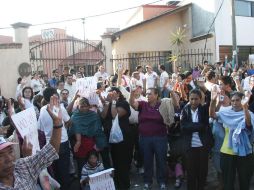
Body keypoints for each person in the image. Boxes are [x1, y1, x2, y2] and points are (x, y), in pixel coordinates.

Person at [0, 95, 63, 190]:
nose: (9, 159)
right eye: (0, 155)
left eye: (10, 151)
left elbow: (50, 151)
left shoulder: (21, 167)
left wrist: (57, 123)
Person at [210, 91, 254, 190]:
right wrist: (213, 101)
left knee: (245, 181)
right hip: (227, 152)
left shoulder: (249, 113)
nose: (235, 103)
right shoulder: (225, 112)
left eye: (237, 100)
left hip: (245, 152)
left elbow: (248, 125)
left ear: (242, 100)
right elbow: (212, 115)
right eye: (233, 100)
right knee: (228, 183)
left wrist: (245, 107)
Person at [130, 88, 171, 190]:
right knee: (147, 161)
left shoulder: (162, 105)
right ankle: (147, 182)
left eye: (150, 94)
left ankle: (162, 182)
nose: (147, 96)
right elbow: (132, 103)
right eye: (147, 94)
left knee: (161, 160)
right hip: (145, 138)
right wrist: (132, 94)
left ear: (156, 95)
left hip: (160, 138)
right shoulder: (143, 104)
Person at [38, 87, 71, 190]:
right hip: (62, 143)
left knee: (54, 172)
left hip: (50, 145)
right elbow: (69, 121)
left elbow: (40, 128)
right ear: (55, 96)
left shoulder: (43, 109)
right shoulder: (60, 107)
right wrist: (65, 126)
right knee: (64, 171)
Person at [180, 88, 213, 190]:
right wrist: (198, 126)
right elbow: (183, 127)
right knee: (190, 172)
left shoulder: (203, 110)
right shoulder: (185, 109)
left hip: (202, 146)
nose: (194, 101)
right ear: (189, 98)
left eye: (196, 99)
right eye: (192, 99)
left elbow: (205, 125)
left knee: (202, 172)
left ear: (200, 99)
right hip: (190, 146)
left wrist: (191, 126)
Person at [101, 87, 133, 189]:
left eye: (112, 93)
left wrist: (114, 101)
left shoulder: (123, 103)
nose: (110, 95)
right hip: (112, 138)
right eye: (109, 93)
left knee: (122, 162)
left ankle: (124, 185)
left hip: (123, 137)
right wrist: (107, 103)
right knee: (115, 161)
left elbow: (115, 115)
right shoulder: (109, 103)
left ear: (118, 94)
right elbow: (103, 115)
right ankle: (117, 184)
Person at [69, 97, 107, 176]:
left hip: (91, 145)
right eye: (81, 106)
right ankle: (82, 184)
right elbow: (74, 130)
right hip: (80, 146)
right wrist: (78, 141)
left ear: (89, 106)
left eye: (86, 106)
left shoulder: (93, 115)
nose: (84, 108)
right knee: (82, 166)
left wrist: (99, 143)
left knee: (93, 166)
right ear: (78, 106)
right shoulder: (75, 116)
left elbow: (98, 130)